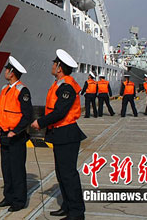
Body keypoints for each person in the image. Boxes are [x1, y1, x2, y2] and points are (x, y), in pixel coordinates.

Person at [31, 49, 86, 220]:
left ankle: (77, 213)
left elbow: (60, 112)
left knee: (68, 174)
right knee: (61, 173)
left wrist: (40, 122)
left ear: (60, 67)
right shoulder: (59, 84)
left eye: (54, 64)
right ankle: (67, 206)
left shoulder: (67, 87)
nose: (53, 66)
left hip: (67, 133)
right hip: (59, 133)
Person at [0, 56, 33, 212]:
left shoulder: (22, 91)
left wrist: (15, 131)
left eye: (7, 69)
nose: (5, 72)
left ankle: (19, 201)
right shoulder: (4, 89)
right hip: (4, 135)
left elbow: (28, 115)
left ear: (12, 72)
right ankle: (8, 197)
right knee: (6, 168)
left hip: (16, 137)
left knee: (17, 169)